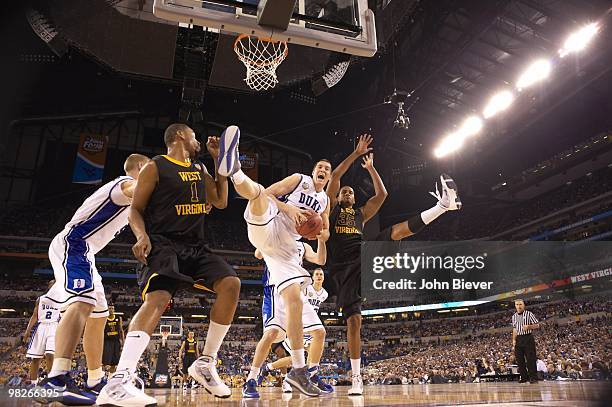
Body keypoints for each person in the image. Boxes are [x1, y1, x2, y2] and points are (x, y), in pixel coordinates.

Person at [97, 124, 240, 406]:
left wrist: (216, 159)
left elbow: (221, 201)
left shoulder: (200, 168)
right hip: (163, 244)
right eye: (194, 136)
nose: (198, 140)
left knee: (231, 284)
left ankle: (205, 362)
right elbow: (135, 210)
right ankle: (118, 381)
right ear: (179, 136)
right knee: (158, 299)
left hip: (196, 247)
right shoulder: (155, 167)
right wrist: (141, 235)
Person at [325, 134, 461, 395]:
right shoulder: (331, 209)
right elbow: (335, 178)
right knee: (354, 322)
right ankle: (355, 377)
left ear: (354, 199)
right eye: (345, 191)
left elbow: (382, 194)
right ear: (339, 197)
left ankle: (442, 206)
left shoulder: (361, 213)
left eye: (351, 192)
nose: (347, 192)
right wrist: (356, 154)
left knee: (395, 232)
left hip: (362, 255)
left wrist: (371, 168)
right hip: (342, 270)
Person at [218, 125, 328, 397]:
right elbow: (269, 193)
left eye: (327, 168)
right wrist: (288, 207)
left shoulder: (324, 201)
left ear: (329, 175)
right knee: (257, 194)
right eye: (320, 166)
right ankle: (234, 170)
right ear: (314, 170)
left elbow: (322, 233)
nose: (322, 169)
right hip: (272, 223)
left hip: (286, 246)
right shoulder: (298, 179)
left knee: (295, 300)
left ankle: (300, 371)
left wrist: (321, 233)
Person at [35, 153, 149, 405]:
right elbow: (137, 187)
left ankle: (95, 380)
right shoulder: (123, 184)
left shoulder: (129, 201)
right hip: (73, 244)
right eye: (150, 169)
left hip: (86, 252)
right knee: (81, 304)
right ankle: (56, 378)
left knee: (99, 316)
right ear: (141, 167)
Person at [243, 242, 330, 399]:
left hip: (297, 292)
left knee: (319, 332)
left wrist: (322, 240)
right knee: (271, 333)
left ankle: (309, 375)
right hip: (275, 291)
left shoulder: (303, 246)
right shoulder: (275, 235)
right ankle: (252, 378)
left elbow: (320, 259)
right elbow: (258, 254)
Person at [24, 279, 59, 385]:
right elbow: (34, 316)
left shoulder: (63, 299)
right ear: (49, 287)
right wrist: (27, 332)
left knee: (50, 355)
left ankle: (51, 383)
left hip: (54, 326)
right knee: (35, 359)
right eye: (52, 285)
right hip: (41, 327)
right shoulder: (41, 299)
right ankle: (33, 384)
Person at [512, 299, 540, 384]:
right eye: (517, 304)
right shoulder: (514, 316)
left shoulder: (529, 314)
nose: (519, 306)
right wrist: (513, 339)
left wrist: (529, 327)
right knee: (519, 359)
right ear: (515, 306)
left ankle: (533, 378)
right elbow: (514, 329)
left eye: (520, 304)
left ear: (523, 305)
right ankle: (524, 377)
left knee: (530, 358)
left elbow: (537, 325)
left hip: (528, 337)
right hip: (519, 338)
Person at [102, 305, 124, 374]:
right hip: (107, 342)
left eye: (112, 308)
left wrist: (123, 341)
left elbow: (121, 330)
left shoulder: (118, 318)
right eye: (109, 308)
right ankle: (104, 377)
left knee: (115, 363)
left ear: (114, 310)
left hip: (116, 342)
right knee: (106, 363)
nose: (111, 310)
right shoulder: (104, 319)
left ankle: (112, 377)